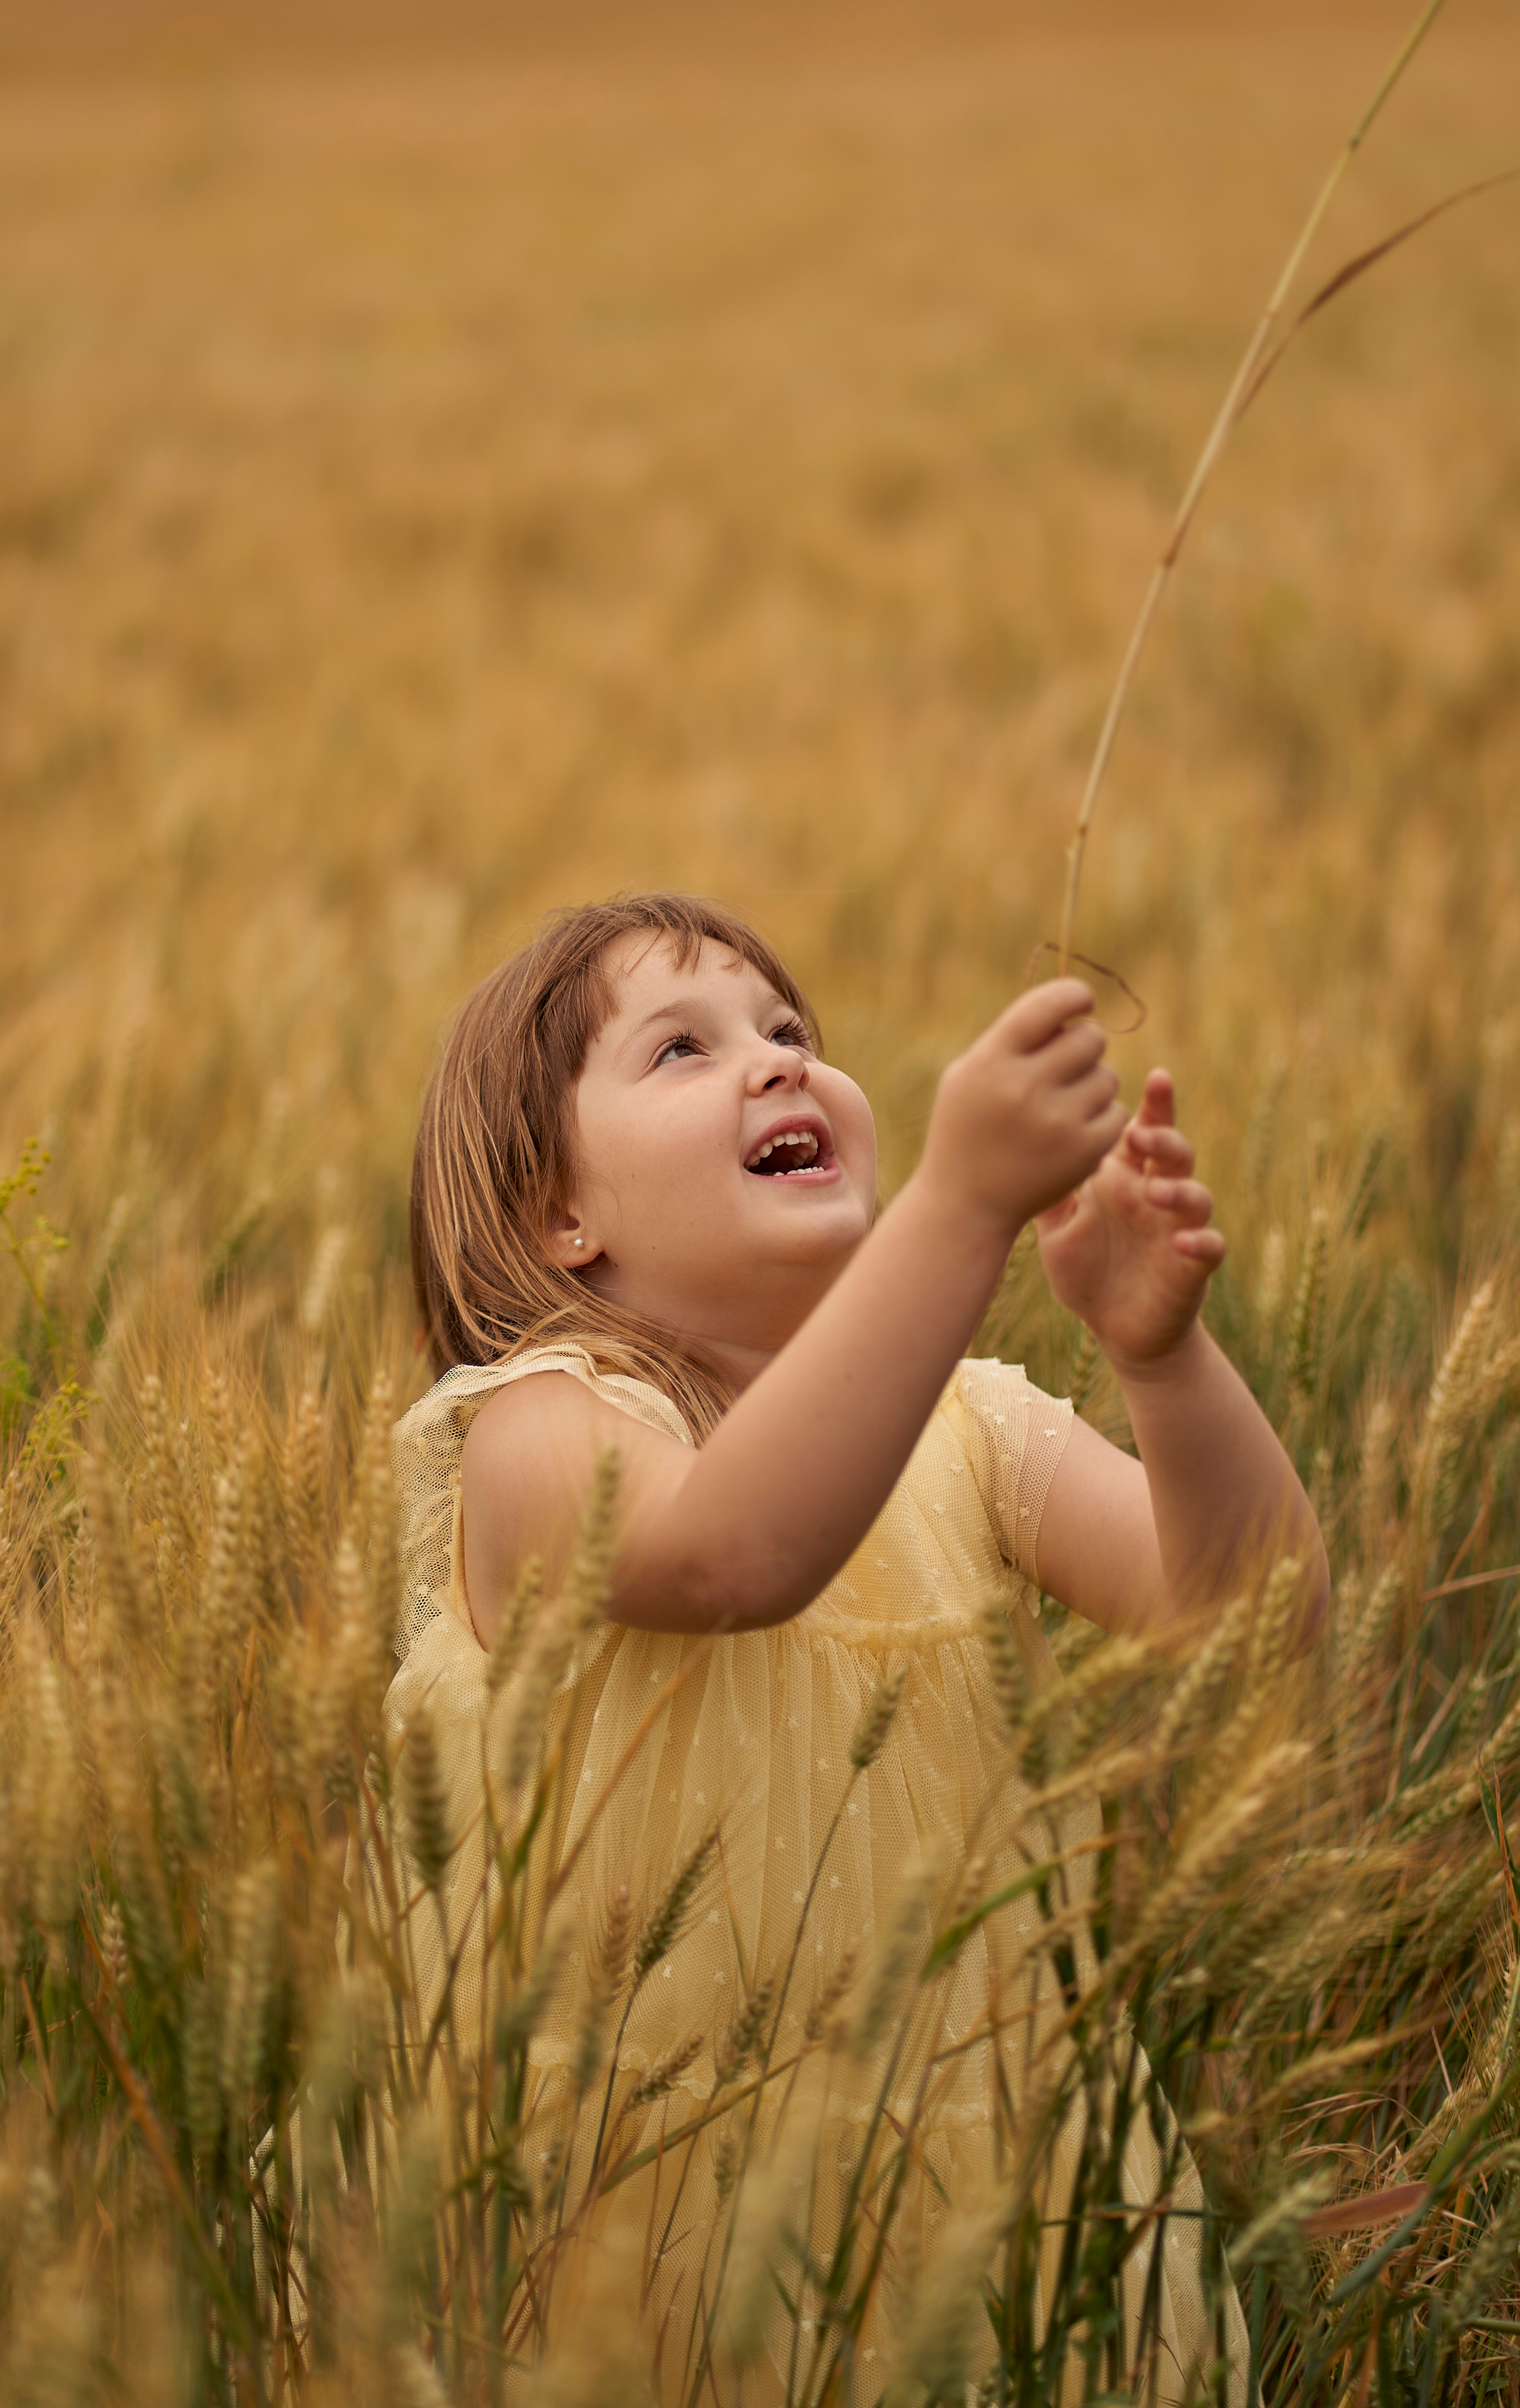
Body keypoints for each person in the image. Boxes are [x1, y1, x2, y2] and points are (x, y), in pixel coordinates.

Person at [386, 890, 1326, 2398]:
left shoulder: (965, 1423)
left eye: (789, 1032)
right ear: (561, 1216)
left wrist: (1163, 1358)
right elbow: (736, 1555)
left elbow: (1250, 1624)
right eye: (680, 1050)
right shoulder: (535, 1434)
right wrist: (957, 1210)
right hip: (624, 2179)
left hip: (942, 2143)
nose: (775, 1064)